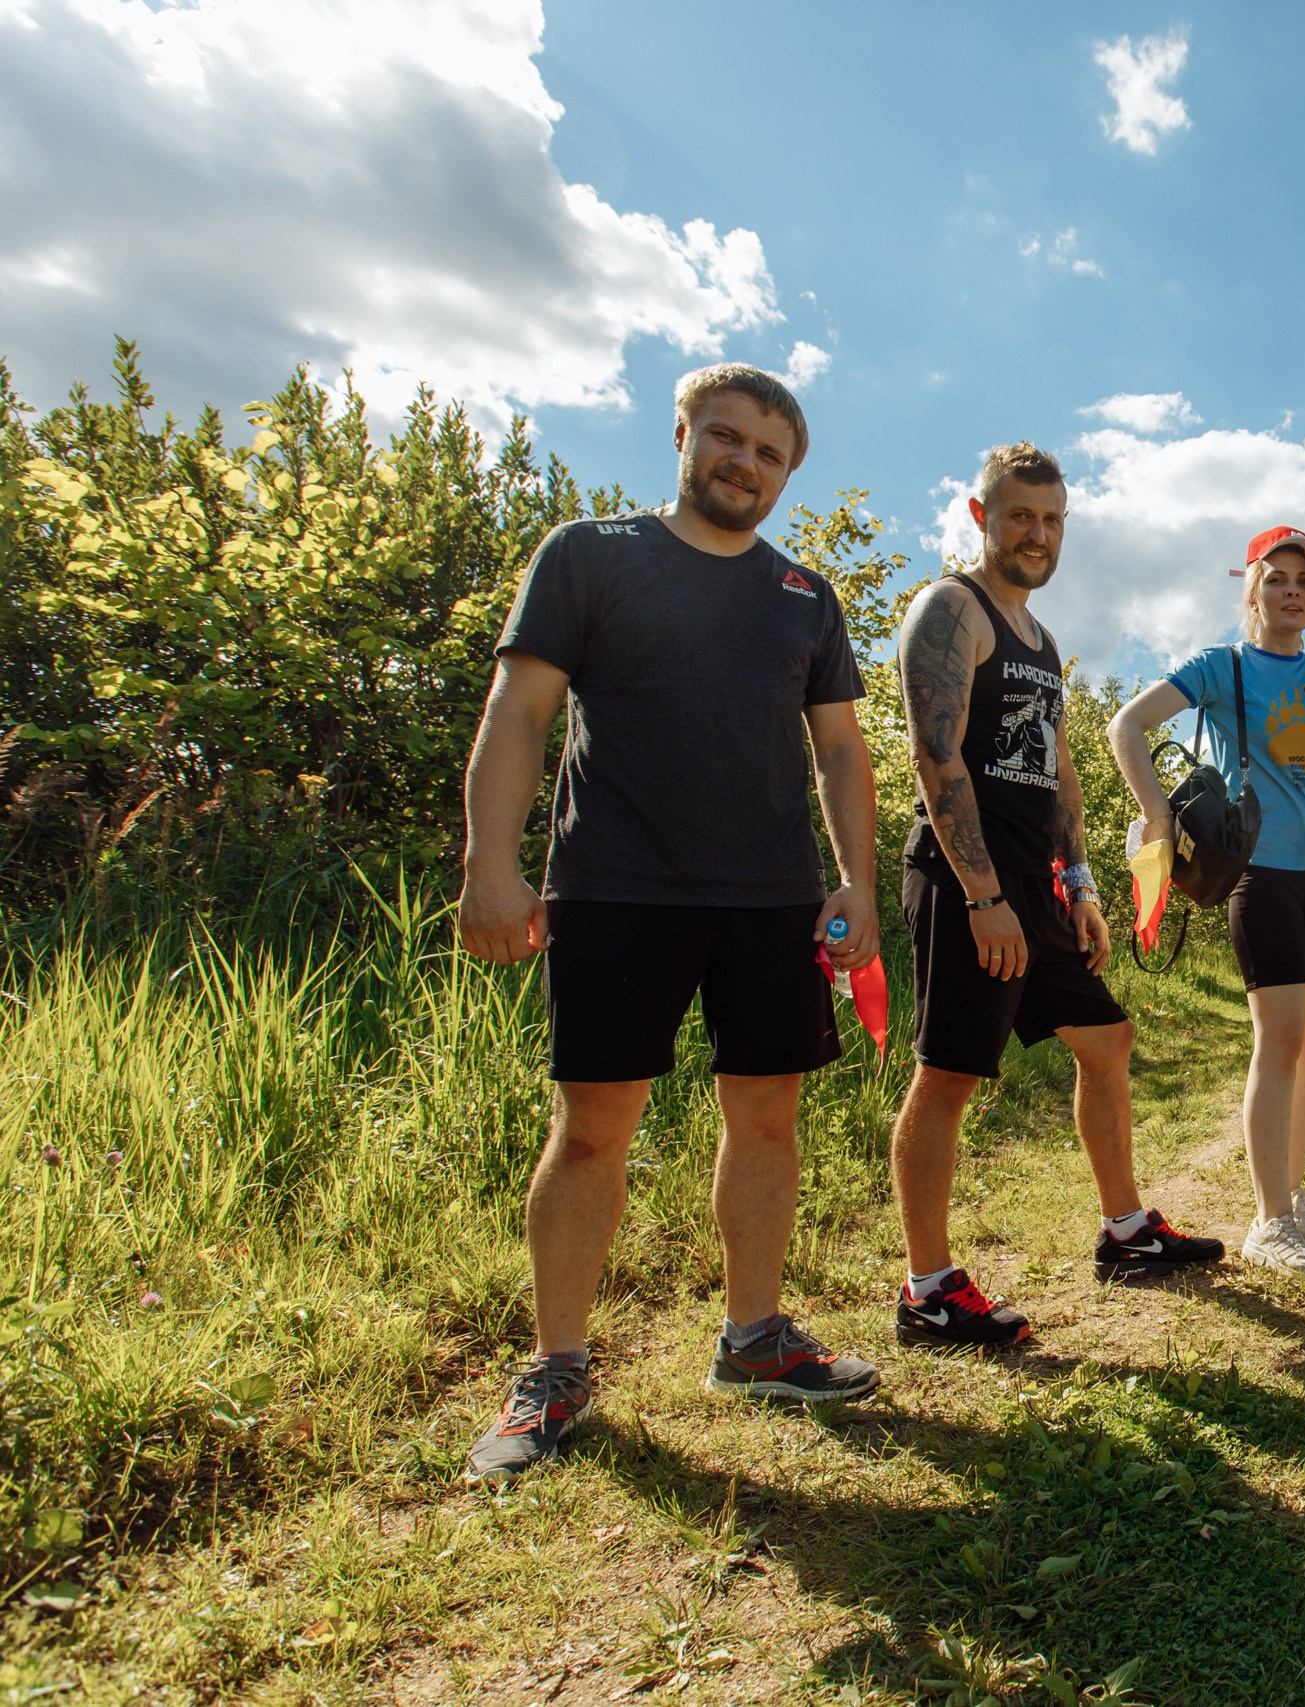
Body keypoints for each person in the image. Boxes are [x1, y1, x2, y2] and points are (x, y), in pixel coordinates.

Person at [457, 364, 883, 1483]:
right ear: (683, 435)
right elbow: (522, 711)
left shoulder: (804, 595)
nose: (745, 464)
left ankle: (753, 1341)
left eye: (770, 454)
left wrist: (856, 881)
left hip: (773, 902)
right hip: (616, 888)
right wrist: (489, 867)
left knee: (769, 1122)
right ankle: (554, 1370)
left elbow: (839, 749)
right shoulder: (589, 555)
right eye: (728, 440)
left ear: (788, 476)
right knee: (591, 1131)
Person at [889, 442, 1224, 1351]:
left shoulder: (1036, 637)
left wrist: (1075, 881)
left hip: (1033, 887)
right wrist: (982, 892)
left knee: (1106, 1038)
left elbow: (1059, 767)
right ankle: (927, 1289)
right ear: (981, 516)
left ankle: (1126, 1233)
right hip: (971, 882)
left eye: (1051, 519)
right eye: (1019, 515)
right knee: (949, 1074)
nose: (1036, 533)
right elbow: (935, 752)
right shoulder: (951, 609)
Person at [1107, 527, 1305, 1279]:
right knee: (1282, 1038)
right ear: (1252, 591)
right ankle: (1269, 1220)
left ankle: (1290, 1191)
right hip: (1264, 874)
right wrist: (1158, 814)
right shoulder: (1220, 667)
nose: (1293, 592)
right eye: (1276, 580)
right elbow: (1124, 724)